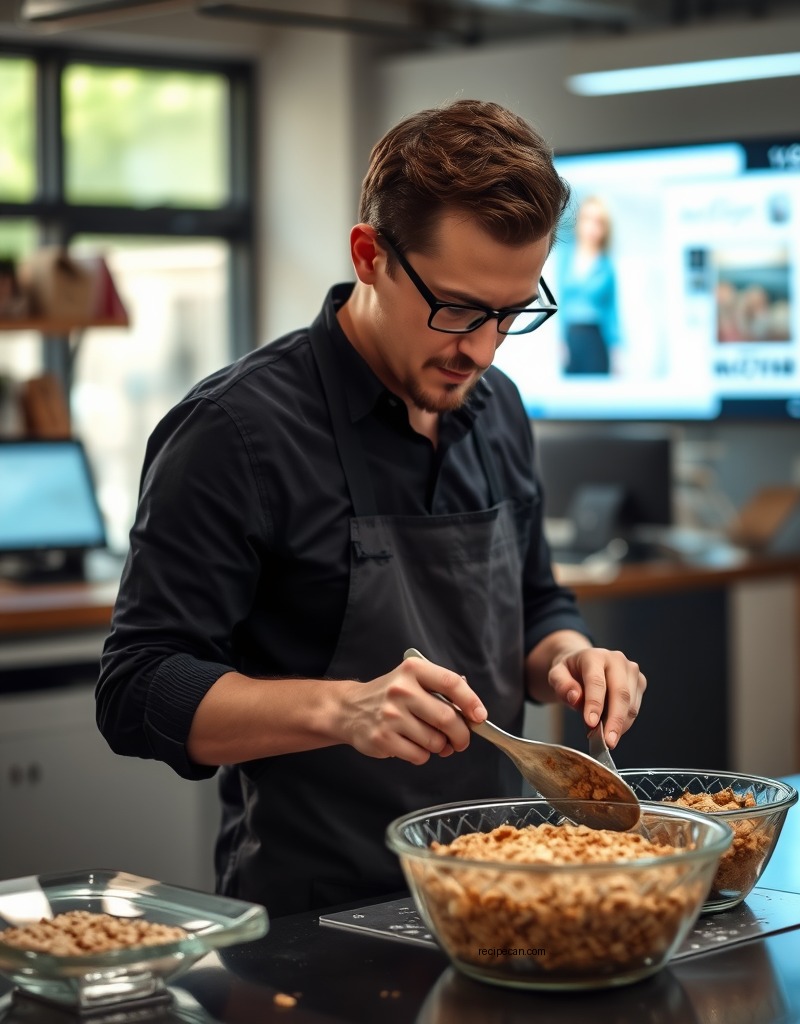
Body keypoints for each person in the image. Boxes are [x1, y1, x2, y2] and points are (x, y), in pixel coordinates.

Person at [95, 99, 647, 917]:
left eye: (511, 315)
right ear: (370, 256)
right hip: (312, 924)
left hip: (494, 894)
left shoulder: (498, 409)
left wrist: (569, 655)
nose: (481, 350)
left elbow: (536, 602)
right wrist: (343, 708)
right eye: (457, 309)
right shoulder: (234, 432)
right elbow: (136, 689)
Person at [558, 194, 620, 374]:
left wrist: (617, 350)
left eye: (598, 222)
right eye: (588, 219)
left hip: (596, 339)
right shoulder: (565, 259)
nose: (592, 227)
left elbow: (612, 311)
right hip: (571, 337)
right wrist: (560, 340)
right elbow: (558, 302)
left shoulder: (607, 266)